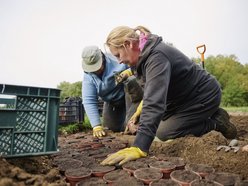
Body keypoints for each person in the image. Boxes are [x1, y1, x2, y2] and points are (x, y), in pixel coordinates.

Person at [101, 26, 237, 166]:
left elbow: (154, 103)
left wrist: (139, 147)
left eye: (118, 55)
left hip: (203, 95)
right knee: (149, 124)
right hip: (182, 99)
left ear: (128, 44)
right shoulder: (142, 58)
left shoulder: (156, 57)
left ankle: (216, 122)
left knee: (164, 132)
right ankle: (205, 116)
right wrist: (139, 112)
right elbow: (151, 93)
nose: (119, 61)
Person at [81, 45, 142, 137]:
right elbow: (89, 100)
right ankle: (124, 124)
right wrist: (96, 125)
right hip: (112, 101)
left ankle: (135, 123)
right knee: (111, 128)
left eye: (98, 66)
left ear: (102, 57)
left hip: (129, 96)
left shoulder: (117, 58)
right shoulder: (88, 76)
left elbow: (141, 66)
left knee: (131, 80)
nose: (96, 70)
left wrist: (131, 71)